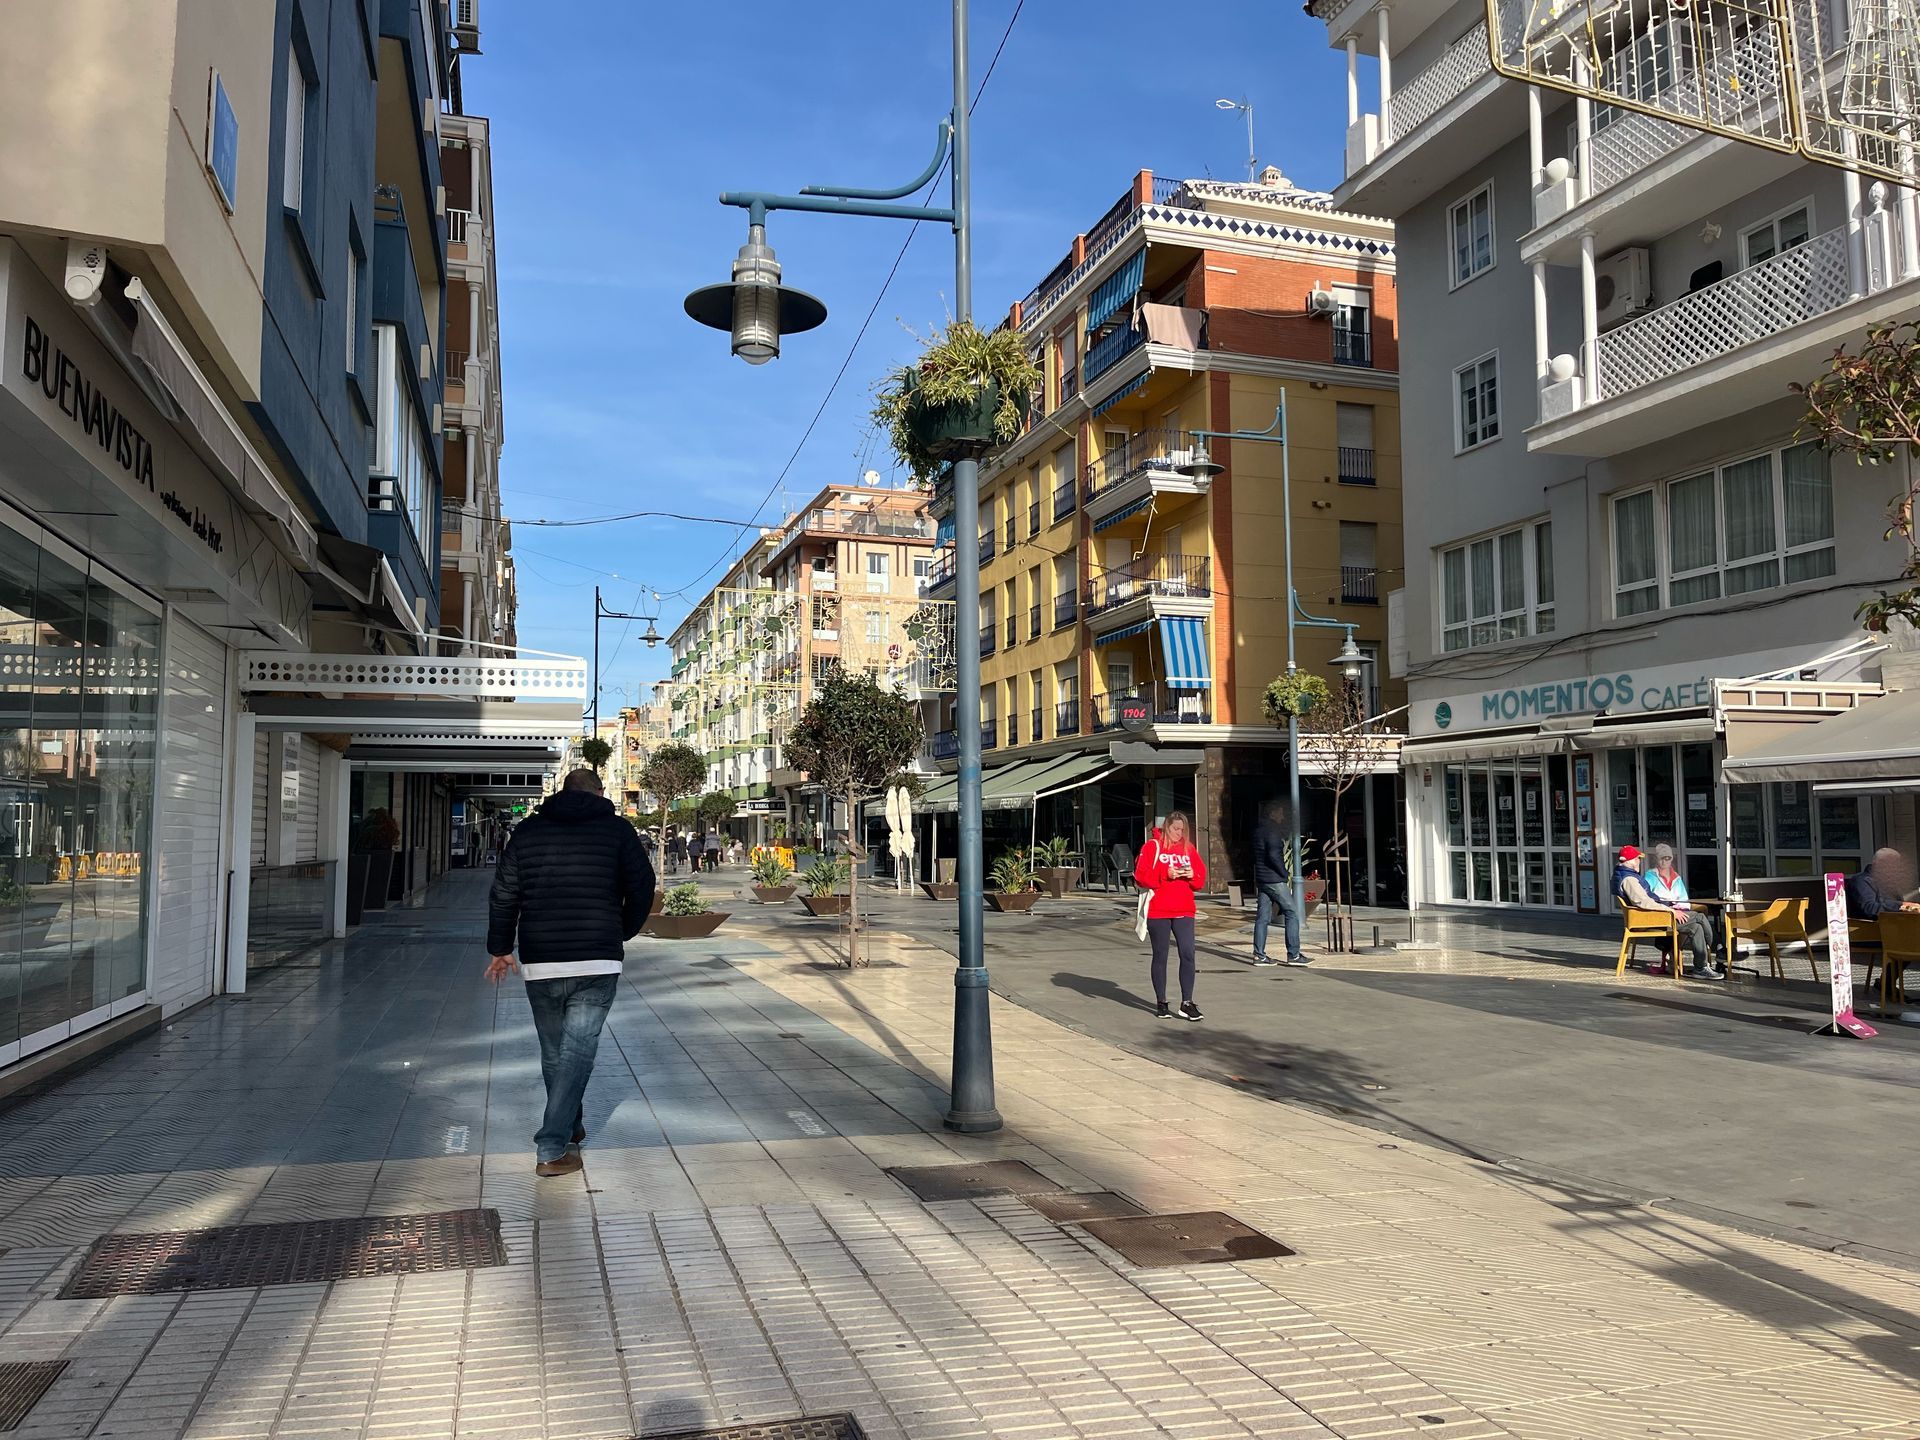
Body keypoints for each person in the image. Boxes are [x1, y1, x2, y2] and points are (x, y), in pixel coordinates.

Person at [486, 768, 655, 1178]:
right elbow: (642, 886)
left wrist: (501, 948)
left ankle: (570, 1127)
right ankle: (551, 1145)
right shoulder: (618, 831)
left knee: (554, 1051)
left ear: (562, 791)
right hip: (597, 959)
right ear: (599, 792)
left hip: (542, 959)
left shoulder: (527, 832)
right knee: (577, 1052)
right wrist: (621, 930)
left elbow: (504, 892)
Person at [1135, 811, 1209, 1021]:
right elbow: (1141, 877)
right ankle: (1161, 1001)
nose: (1179, 833)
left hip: (1184, 909)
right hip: (1158, 910)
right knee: (1161, 955)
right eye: (1176, 829)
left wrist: (1192, 875)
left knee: (1188, 953)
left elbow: (1200, 879)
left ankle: (1187, 1002)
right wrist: (1165, 874)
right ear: (1166, 827)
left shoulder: (1188, 848)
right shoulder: (1152, 846)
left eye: (1182, 830)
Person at [1615, 843, 1720, 979]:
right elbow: (1644, 902)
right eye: (1636, 859)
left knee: (1696, 927)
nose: (1639, 861)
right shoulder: (1629, 879)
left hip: (1656, 915)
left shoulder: (1627, 876)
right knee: (1699, 917)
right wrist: (1671, 911)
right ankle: (1717, 949)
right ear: (1627, 861)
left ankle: (1701, 967)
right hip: (1653, 918)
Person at [1252, 799, 1305, 968]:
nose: (1282, 816)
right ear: (1273, 813)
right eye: (1281, 813)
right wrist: (1284, 873)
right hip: (1274, 879)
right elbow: (1274, 855)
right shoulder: (1273, 831)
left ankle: (1259, 955)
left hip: (1262, 878)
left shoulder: (1258, 831)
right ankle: (1294, 954)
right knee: (1292, 912)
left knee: (1262, 918)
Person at [1846, 847, 1920, 920]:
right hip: (1870, 927)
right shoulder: (1861, 881)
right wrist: (1901, 906)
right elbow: (1869, 908)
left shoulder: (1888, 883)